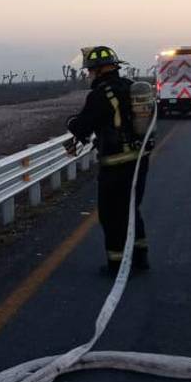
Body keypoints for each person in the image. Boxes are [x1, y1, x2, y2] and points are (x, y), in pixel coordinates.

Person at [64, 46, 154, 273]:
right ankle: (140, 258)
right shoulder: (128, 87)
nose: (88, 74)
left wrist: (71, 123)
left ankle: (117, 264)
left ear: (98, 70)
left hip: (116, 164)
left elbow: (83, 125)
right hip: (139, 159)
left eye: (90, 70)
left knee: (111, 214)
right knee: (131, 209)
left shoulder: (101, 94)